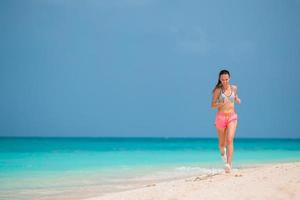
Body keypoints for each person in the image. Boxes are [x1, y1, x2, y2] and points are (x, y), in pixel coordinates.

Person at [211, 70, 241, 173]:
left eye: (226, 79)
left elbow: (235, 96)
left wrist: (237, 99)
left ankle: (228, 164)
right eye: (222, 79)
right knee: (222, 144)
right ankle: (223, 155)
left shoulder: (234, 88)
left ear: (230, 78)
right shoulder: (218, 90)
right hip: (221, 118)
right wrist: (221, 103)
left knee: (230, 140)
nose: (225, 81)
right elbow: (212, 105)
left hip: (232, 117)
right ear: (220, 79)